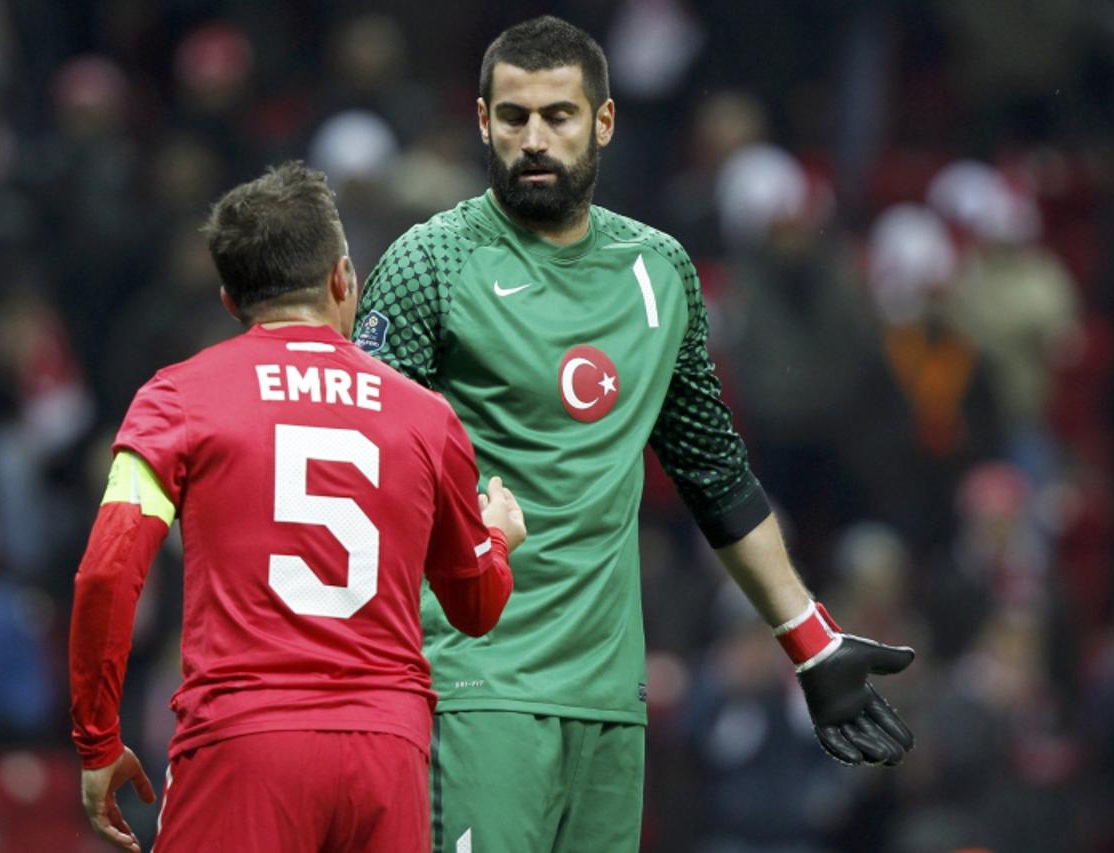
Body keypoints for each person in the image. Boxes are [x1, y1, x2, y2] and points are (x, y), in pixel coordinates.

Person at [354, 16, 915, 853]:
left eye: (559, 116)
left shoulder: (661, 273)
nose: (534, 139)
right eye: (513, 118)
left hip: (611, 698)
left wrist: (809, 639)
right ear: (482, 122)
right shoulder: (428, 263)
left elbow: (714, 474)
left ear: (604, 122)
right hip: (474, 686)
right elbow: (359, 477)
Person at [68, 161, 524, 853]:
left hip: (245, 744)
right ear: (344, 279)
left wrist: (97, 738)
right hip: (386, 754)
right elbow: (476, 606)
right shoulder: (428, 420)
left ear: (228, 299)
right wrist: (496, 539)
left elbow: (106, 571)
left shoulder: (176, 400)